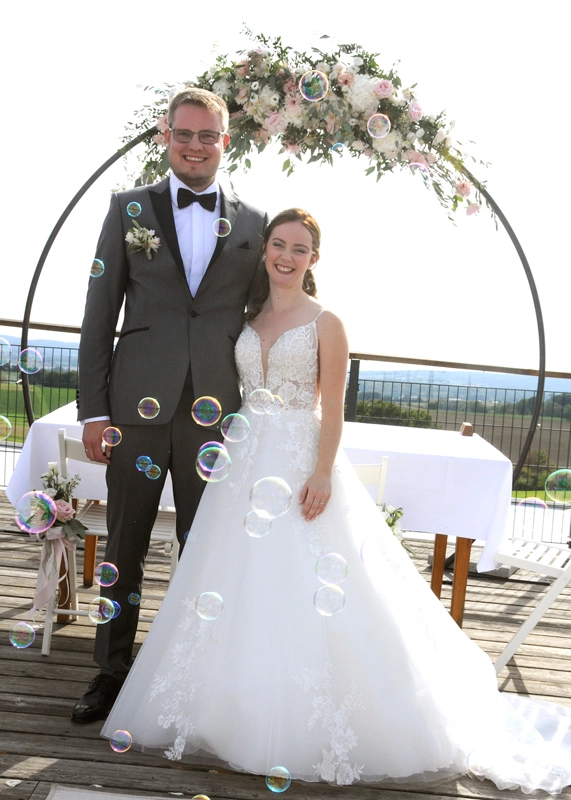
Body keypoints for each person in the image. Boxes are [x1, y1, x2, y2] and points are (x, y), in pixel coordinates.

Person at [102, 209, 571, 793]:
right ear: (265, 250)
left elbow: (332, 407)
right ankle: (229, 709)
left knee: (312, 585)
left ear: (313, 259)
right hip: (243, 464)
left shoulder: (327, 323)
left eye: (299, 249)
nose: (286, 256)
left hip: (301, 462)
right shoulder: (246, 317)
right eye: (278, 244)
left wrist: (322, 472)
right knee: (238, 584)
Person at [72, 87, 268, 723]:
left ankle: (194, 678)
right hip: (134, 409)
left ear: (225, 142)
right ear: (165, 137)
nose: (194, 145)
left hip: (217, 412)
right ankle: (111, 673)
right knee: (123, 544)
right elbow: (98, 314)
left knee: (205, 547)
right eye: (183, 134)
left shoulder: (254, 222)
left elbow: (267, 315)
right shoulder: (127, 208)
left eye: (207, 135)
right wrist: (94, 411)